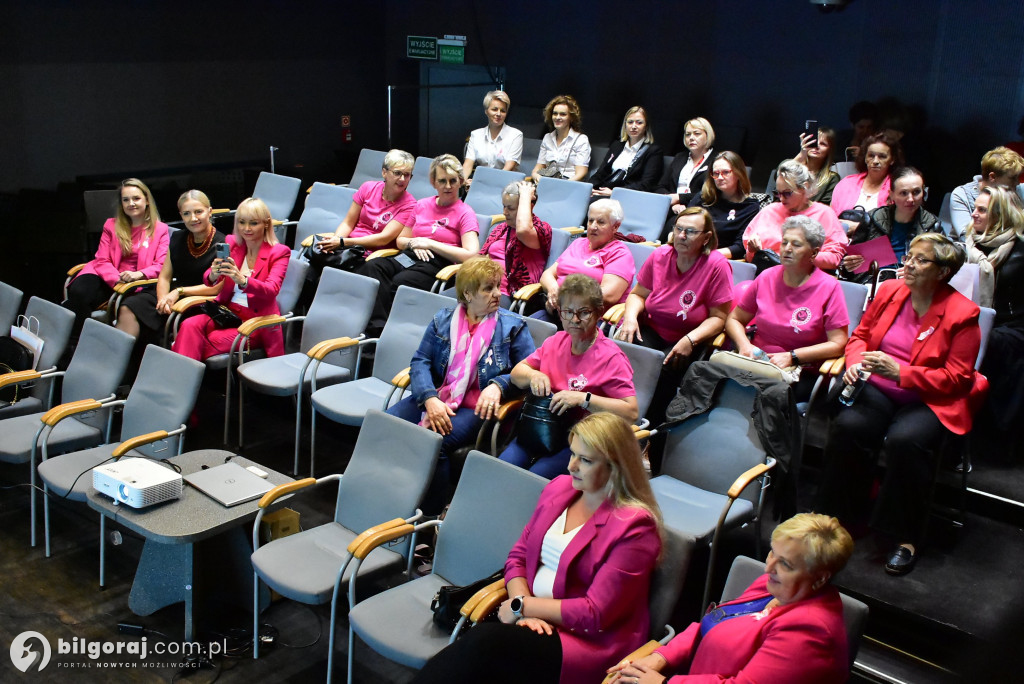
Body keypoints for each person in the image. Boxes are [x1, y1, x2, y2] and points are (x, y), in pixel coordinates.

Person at [414, 412, 662, 684]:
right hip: (531, 621)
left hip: (585, 641)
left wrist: (523, 606)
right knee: (477, 655)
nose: (572, 466)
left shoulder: (635, 527)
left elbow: (595, 614)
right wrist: (521, 611)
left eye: (586, 460)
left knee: (483, 646)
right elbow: (518, 556)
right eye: (572, 454)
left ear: (616, 467)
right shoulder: (560, 489)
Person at [816, 233, 987, 575]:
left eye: (920, 260)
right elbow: (861, 336)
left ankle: (905, 535)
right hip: (878, 386)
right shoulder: (891, 290)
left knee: (905, 442)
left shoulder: (963, 314)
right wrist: (854, 364)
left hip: (928, 397)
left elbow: (957, 378)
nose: (908, 264)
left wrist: (902, 372)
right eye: (909, 256)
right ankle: (840, 518)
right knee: (850, 427)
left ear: (943, 271)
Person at [607, 513, 853, 684]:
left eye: (786, 564)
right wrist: (661, 657)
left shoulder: (810, 633)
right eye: (772, 553)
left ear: (820, 578)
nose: (769, 568)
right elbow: (712, 623)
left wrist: (664, 682)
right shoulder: (772, 587)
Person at [388, 257, 535, 505]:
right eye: (488, 288)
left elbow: (530, 370)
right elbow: (420, 361)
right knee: (387, 423)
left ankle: (432, 512)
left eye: (498, 286)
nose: (497, 294)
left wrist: (498, 385)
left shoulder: (512, 327)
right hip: (438, 396)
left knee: (436, 440)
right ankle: (394, 492)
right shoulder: (442, 320)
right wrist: (429, 398)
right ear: (467, 293)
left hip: (477, 406)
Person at [501, 274, 638, 478]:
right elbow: (516, 374)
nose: (574, 320)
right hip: (541, 427)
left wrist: (583, 399)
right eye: (568, 312)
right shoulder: (555, 341)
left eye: (584, 313)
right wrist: (533, 376)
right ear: (560, 312)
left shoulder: (611, 358)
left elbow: (631, 413)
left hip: (581, 441)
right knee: (502, 468)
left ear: (599, 313)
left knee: (535, 477)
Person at [615, 207, 733, 422]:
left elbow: (719, 318)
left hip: (687, 338)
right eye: (678, 228)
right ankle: (616, 419)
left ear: (706, 237)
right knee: (624, 358)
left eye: (690, 231)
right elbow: (638, 294)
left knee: (663, 372)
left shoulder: (717, 265)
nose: (681, 236)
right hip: (652, 328)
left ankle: (649, 429)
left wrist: (691, 339)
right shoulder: (660, 255)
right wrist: (631, 318)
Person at [727, 216, 850, 400]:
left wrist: (792, 356)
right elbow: (735, 319)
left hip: (800, 369)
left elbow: (838, 344)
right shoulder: (767, 276)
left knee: (761, 395)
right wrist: (744, 345)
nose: (787, 249)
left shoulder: (829, 287)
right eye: (784, 242)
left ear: (814, 253)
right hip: (757, 359)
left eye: (796, 244)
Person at [357, 154, 479, 333]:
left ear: (461, 181)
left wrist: (429, 244)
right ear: (433, 182)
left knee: (400, 282)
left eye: (453, 180)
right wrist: (415, 244)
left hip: (438, 264)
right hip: (410, 255)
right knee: (373, 267)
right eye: (442, 181)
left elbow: (471, 254)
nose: (448, 186)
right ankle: (377, 330)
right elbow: (401, 241)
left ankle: (389, 333)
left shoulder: (465, 213)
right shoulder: (422, 205)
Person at [171, 197, 290, 361]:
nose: (246, 228)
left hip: (255, 323)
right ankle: (182, 379)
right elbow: (209, 279)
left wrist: (242, 280)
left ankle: (180, 380)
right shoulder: (233, 244)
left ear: (266, 224)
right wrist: (213, 274)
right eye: (241, 222)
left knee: (199, 343)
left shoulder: (279, 252)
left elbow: (271, 290)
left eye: (253, 223)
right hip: (227, 313)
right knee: (188, 325)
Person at [117, 189, 226, 342]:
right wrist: (162, 300)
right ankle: (123, 362)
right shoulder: (177, 237)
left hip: (199, 299)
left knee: (166, 321)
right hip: (172, 294)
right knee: (129, 306)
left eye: (198, 212)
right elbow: (165, 276)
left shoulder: (223, 244)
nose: (193, 218)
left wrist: (179, 292)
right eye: (187, 213)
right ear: (181, 215)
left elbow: (217, 287)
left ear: (209, 212)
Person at [63, 178, 170, 332]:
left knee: (82, 303)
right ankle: (75, 339)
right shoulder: (111, 225)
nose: (131, 203)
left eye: (136, 198)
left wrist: (138, 275)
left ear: (147, 200)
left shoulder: (160, 230)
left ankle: (82, 337)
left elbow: (161, 265)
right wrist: (116, 279)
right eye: (126, 200)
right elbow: (102, 259)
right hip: (106, 274)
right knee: (79, 292)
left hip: (136, 281)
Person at [968, 187, 1024, 461]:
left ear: (1000, 215)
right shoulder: (968, 244)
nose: (973, 214)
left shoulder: (1020, 251)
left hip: (1014, 325)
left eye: (981, 210)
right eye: (974, 208)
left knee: (991, 342)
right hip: (974, 318)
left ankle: (988, 442)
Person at [310, 148, 417, 274]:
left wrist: (343, 242)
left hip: (370, 255)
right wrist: (336, 241)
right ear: (384, 172)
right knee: (313, 266)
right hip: (348, 247)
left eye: (407, 175)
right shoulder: (368, 188)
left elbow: (384, 238)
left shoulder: (410, 205)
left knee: (330, 274)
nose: (402, 179)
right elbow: (348, 223)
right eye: (397, 173)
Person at [535, 199, 634, 325]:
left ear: (615, 227)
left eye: (601, 222)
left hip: (592, 320)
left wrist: (565, 298)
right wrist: (553, 289)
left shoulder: (619, 253)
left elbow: (608, 295)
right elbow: (547, 275)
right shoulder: (578, 243)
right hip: (558, 311)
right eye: (591, 220)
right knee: (527, 327)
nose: (593, 226)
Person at [742, 160, 849, 270]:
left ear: (804, 187)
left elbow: (834, 259)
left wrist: (802, 256)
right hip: (764, 272)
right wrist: (752, 251)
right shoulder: (769, 211)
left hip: (804, 278)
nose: (781, 198)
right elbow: (750, 259)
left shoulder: (824, 213)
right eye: (777, 193)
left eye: (787, 193)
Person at [840, 167, 939, 282]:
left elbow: (942, 267)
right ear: (891, 194)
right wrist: (848, 265)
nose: (911, 199)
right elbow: (847, 267)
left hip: (911, 285)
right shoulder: (872, 218)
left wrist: (923, 271)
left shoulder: (933, 224)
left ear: (924, 192)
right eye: (903, 193)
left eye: (916, 192)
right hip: (872, 282)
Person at [478, 180, 552, 307]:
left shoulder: (541, 229)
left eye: (511, 208)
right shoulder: (501, 229)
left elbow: (522, 229)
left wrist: (525, 196)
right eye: (504, 206)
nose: (505, 212)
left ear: (529, 206)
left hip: (509, 294)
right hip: (482, 285)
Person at [686, 151, 760, 258]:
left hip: (719, 260)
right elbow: (682, 226)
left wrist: (705, 256)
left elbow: (739, 247)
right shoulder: (703, 198)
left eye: (726, 172)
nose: (720, 177)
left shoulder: (750, 207)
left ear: (738, 174)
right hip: (690, 253)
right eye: (716, 173)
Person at [830, 132, 903, 231]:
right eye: (871, 156)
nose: (875, 161)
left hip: (880, 243)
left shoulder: (898, 187)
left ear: (892, 160)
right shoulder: (846, 183)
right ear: (865, 158)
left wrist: (857, 228)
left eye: (882, 156)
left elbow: (896, 226)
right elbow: (831, 219)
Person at [949, 146, 1024, 241]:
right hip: (970, 251)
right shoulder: (962, 195)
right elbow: (967, 237)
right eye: (1013, 178)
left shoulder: (1019, 190)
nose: (1017, 182)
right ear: (992, 177)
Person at [590, 106, 664, 197]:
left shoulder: (653, 151)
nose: (633, 126)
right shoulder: (616, 145)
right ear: (625, 125)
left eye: (639, 123)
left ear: (646, 126)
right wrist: (590, 188)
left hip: (628, 196)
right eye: (630, 122)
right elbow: (601, 173)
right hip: (603, 191)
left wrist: (615, 192)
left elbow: (647, 184)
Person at [657, 117, 715, 234]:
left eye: (697, 134)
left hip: (698, 210)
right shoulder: (680, 158)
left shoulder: (716, 160)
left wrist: (679, 198)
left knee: (671, 226)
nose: (691, 138)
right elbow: (660, 187)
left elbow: (708, 194)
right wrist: (672, 204)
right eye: (688, 134)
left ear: (707, 135)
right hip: (671, 208)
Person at [462, 90, 524, 187]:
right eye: (494, 109)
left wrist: (487, 184)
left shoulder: (516, 135)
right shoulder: (476, 135)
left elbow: (509, 167)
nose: (498, 114)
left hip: (506, 185)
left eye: (503, 111)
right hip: (481, 183)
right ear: (486, 111)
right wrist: (462, 181)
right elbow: (468, 164)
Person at [532, 95, 591, 182]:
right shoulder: (547, 138)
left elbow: (581, 173)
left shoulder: (581, 140)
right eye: (555, 113)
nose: (557, 117)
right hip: (548, 181)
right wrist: (536, 176)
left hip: (570, 183)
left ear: (571, 118)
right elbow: (538, 168)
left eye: (563, 114)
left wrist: (562, 185)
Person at [794, 125, 841, 205]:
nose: (816, 146)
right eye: (814, 141)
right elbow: (780, 174)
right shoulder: (793, 167)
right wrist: (802, 154)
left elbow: (824, 209)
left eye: (823, 144)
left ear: (829, 150)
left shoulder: (832, 178)